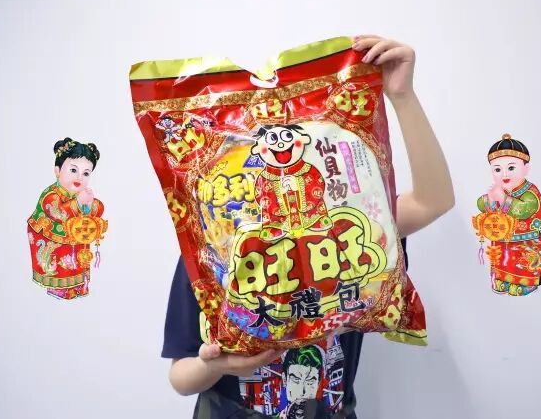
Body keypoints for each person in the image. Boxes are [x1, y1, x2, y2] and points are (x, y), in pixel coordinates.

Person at [163, 35, 455, 418]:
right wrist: (216, 365)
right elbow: (181, 377)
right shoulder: (216, 250)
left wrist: (402, 96)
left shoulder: (348, 231)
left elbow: (434, 201)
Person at [476, 133, 541, 296]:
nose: (504, 174)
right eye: (497, 169)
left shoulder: (530, 191)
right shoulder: (500, 190)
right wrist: (489, 199)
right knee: (505, 259)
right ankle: (504, 279)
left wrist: (503, 198)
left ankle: (527, 282)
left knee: (524, 260)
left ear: (526, 169)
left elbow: (524, 210)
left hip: (530, 237)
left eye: (511, 168)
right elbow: (482, 205)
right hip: (505, 236)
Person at [27, 138, 105, 300]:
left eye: (85, 173)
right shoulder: (51, 194)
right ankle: (59, 289)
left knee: (77, 261)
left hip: (73, 236)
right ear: (57, 171)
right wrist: (78, 203)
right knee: (59, 264)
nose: (79, 177)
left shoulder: (79, 194)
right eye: (73, 170)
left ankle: (77, 287)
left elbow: (96, 209)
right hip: (50, 236)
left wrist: (90, 203)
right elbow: (58, 212)